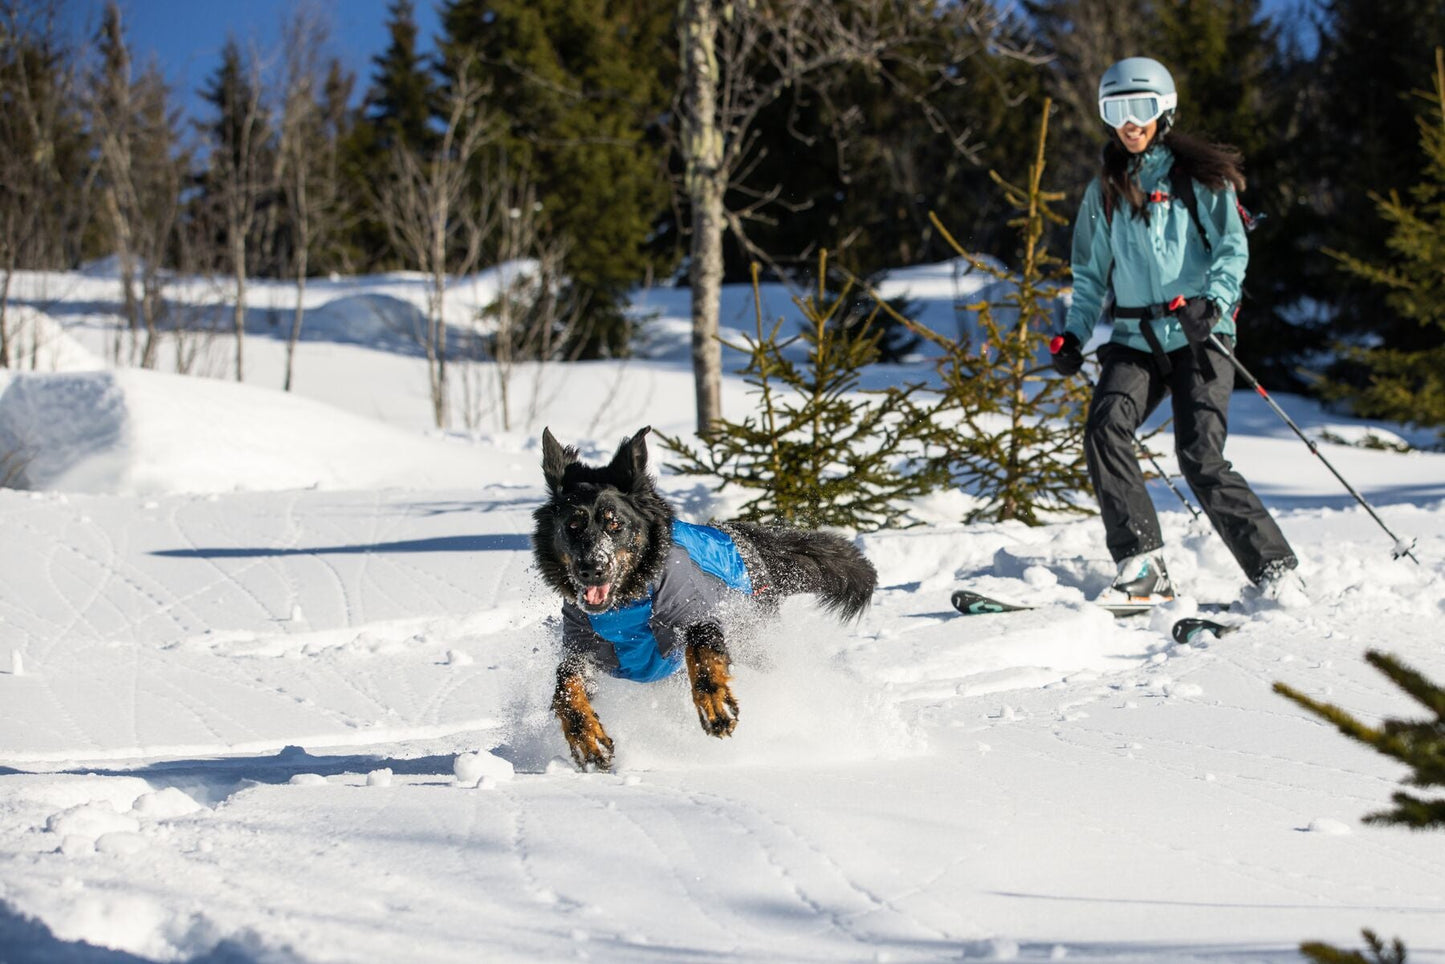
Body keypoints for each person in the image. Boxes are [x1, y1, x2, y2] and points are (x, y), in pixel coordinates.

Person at [1051, 55, 1299, 604]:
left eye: (1141, 107)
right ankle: (1143, 567)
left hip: (1199, 336)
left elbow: (1233, 249)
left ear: (1163, 111)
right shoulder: (1105, 191)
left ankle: (1277, 571)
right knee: (1104, 428)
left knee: (1199, 456)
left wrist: (1216, 302)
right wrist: (1073, 334)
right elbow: (1090, 275)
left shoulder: (1199, 180)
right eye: (1117, 109)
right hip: (1135, 339)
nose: (1129, 122)